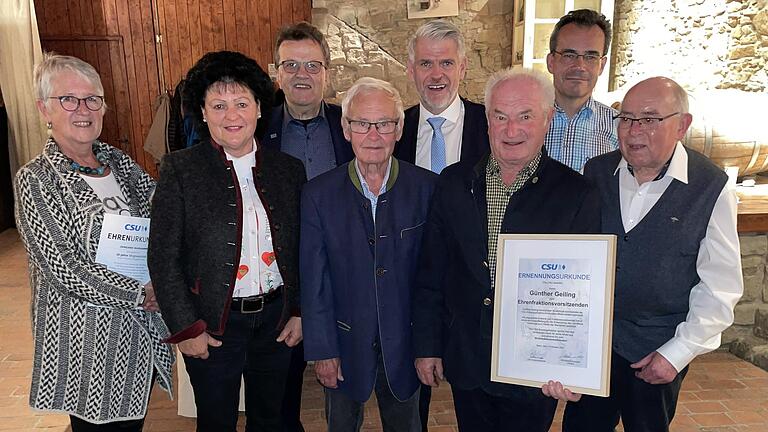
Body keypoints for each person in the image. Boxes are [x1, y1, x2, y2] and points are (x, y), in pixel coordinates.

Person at [412, 68, 601, 432]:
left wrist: (571, 367)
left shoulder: (578, 194)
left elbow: (585, 293)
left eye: (525, 116)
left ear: (547, 120)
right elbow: (431, 272)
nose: (511, 130)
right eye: (500, 116)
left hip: (535, 370)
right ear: (487, 122)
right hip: (468, 358)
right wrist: (427, 345)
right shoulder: (453, 182)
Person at [551, 77, 744, 432]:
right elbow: (573, 259)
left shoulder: (710, 188)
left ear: (682, 125)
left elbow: (720, 288)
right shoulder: (595, 172)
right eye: (625, 118)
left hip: (656, 352)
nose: (633, 130)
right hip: (594, 349)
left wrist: (676, 354)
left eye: (650, 119)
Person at [147, 50, 305, 432]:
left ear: (258, 109)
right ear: (202, 112)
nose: (231, 116)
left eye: (241, 103)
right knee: (216, 422)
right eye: (218, 105)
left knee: (271, 420)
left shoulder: (289, 170)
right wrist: (187, 328)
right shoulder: (180, 170)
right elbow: (163, 257)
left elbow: (305, 249)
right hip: (214, 326)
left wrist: (300, 311)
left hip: (277, 322)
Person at [14, 53, 173, 431]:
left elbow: (163, 213)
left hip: (138, 335)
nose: (83, 109)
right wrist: (141, 293)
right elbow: (64, 268)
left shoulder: (117, 162)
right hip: (86, 343)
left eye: (92, 99)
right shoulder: (36, 179)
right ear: (44, 109)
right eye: (68, 99)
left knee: (131, 423)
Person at [301, 77, 436, 432]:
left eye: (384, 124)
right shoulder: (318, 195)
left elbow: (432, 278)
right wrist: (323, 351)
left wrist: (429, 345)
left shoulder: (427, 188)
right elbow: (314, 281)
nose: (373, 134)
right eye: (362, 123)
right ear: (346, 129)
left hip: (406, 347)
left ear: (399, 129)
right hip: (344, 346)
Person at [262, 22, 354, 432]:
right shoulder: (257, 130)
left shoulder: (349, 126)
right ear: (275, 72)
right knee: (282, 389)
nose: (303, 74)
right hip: (281, 280)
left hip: (344, 274)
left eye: (313, 65)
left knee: (347, 382)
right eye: (292, 65)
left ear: (328, 72)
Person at [396, 19, 489, 175]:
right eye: (426, 64)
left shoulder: (490, 124)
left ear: (462, 68)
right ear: (411, 70)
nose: (437, 75)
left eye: (446, 63)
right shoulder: (396, 131)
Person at [544, 9, 618, 172]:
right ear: (551, 62)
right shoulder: (522, 121)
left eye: (590, 57)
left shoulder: (620, 127)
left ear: (602, 65)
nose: (579, 66)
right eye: (569, 55)